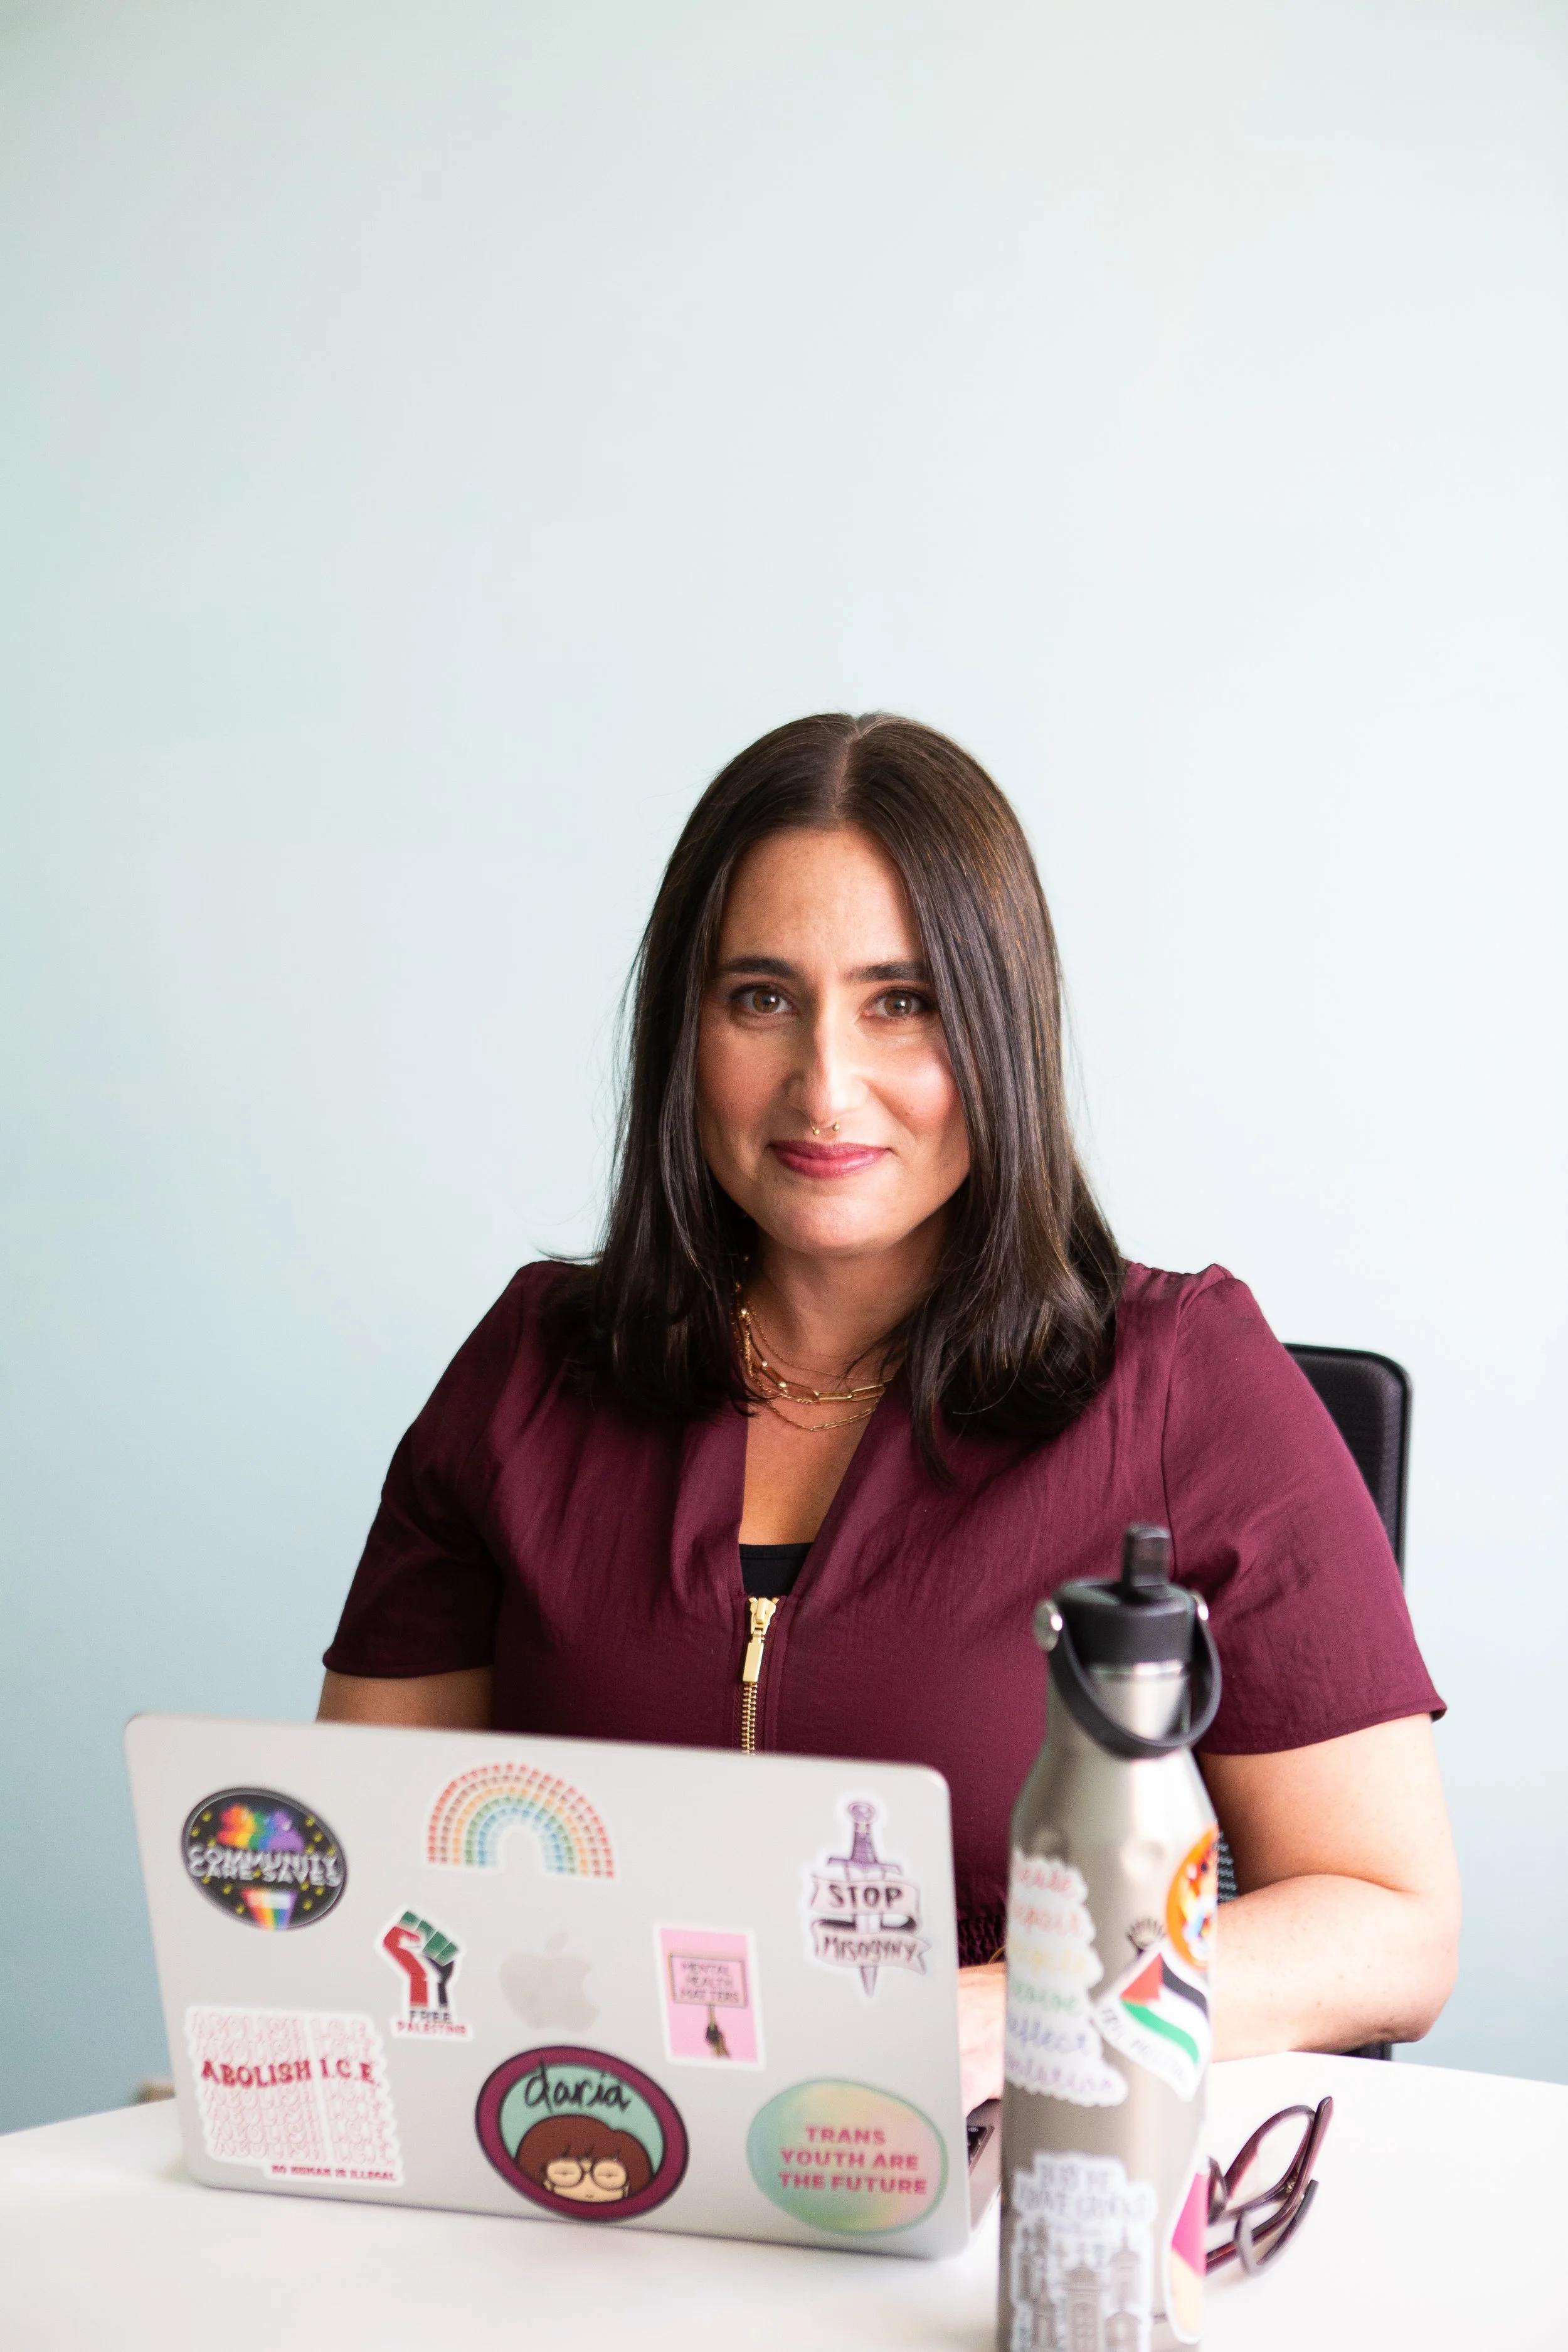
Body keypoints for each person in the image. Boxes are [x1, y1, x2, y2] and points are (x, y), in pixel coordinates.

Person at [320, 712, 1461, 2111]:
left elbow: (1388, 1922)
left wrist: (1006, 2020)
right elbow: (363, 1877)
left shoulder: (1183, 1381)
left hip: (1014, 2186)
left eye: (899, 1002)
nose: (824, 1085)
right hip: (594, 2172)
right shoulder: (528, 1369)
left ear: (998, 1028)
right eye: (758, 998)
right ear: (683, 1030)